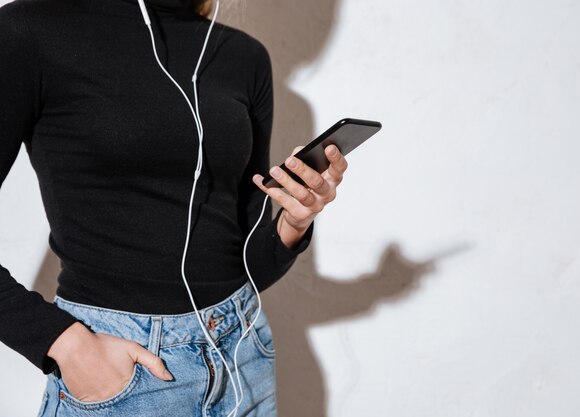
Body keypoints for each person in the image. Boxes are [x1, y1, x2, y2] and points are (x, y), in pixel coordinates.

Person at [0, 0, 348, 415]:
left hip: (243, 353)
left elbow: (247, 265)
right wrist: (64, 342)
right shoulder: (29, 29)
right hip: (121, 366)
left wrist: (295, 220)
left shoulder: (244, 58)